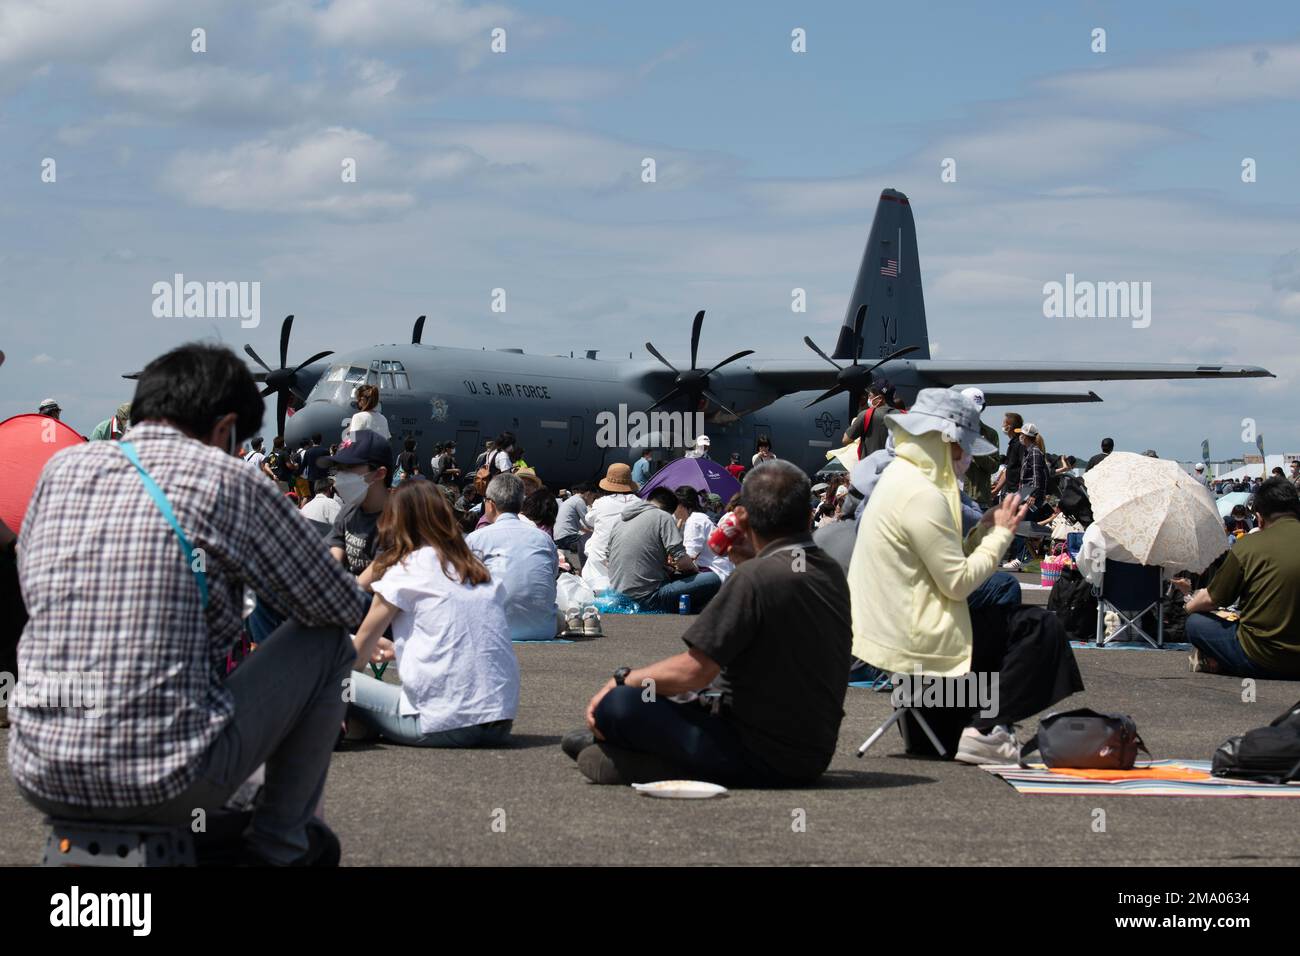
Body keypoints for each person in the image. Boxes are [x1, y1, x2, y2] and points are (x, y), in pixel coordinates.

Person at [9, 343, 368, 865]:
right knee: (327, 642)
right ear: (224, 429)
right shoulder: (227, 478)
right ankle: (278, 846)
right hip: (163, 780)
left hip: (41, 771)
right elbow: (336, 605)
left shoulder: (61, 471)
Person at [568, 460, 850, 786]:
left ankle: (666, 764)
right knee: (605, 727)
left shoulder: (756, 578)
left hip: (757, 750)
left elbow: (695, 671)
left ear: (742, 517)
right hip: (813, 752)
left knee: (618, 705)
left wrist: (623, 679)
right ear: (807, 514)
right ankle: (647, 758)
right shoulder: (829, 572)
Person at [847, 388, 1083, 765]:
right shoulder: (923, 494)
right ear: (946, 442)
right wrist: (1003, 534)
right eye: (963, 448)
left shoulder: (896, 481)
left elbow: (939, 561)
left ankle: (977, 722)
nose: (967, 457)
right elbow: (957, 582)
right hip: (921, 642)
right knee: (1039, 628)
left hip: (898, 638)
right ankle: (986, 727)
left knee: (1003, 621)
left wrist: (982, 530)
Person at [347, 481, 519, 746]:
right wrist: (402, 648)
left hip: (439, 723)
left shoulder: (405, 570)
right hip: (499, 720)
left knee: (329, 677)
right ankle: (360, 724)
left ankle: (344, 725)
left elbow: (355, 661)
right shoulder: (475, 569)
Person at [1177, 477, 1300, 678]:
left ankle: (1220, 661)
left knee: (1196, 623)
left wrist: (1188, 606)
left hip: (1261, 656)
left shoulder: (1248, 546)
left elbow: (1212, 599)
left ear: (1259, 518)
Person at [465, 473, 559, 641]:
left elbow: (463, 585)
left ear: (491, 504)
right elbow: (551, 580)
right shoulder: (543, 538)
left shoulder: (477, 538)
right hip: (543, 629)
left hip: (491, 629)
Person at [606, 487, 721, 613]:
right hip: (648, 598)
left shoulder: (621, 520)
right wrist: (694, 569)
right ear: (670, 510)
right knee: (712, 579)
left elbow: (608, 559)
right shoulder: (663, 516)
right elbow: (683, 562)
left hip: (618, 596)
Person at [323, 430, 393, 577]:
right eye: (339, 468)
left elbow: (378, 571)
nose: (340, 476)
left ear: (380, 473)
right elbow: (336, 545)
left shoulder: (396, 519)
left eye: (349, 468)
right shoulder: (349, 510)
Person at [580, 463, 642, 591]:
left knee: (585, 540)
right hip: (630, 561)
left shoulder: (600, 502)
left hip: (600, 561)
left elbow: (588, 521)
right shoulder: (639, 503)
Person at [674, 486, 721, 580]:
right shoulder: (698, 518)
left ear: (680, 506)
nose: (673, 511)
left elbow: (688, 559)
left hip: (714, 572)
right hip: (715, 570)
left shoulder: (694, 522)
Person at [553, 483, 595, 556]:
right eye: (593, 497)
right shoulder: (579, 501)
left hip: (558, 539)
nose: (592, 500)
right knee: (596, 542)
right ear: (588, 494)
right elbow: (588, 522)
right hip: (568, 538)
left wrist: (591, 531)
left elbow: (580, 526)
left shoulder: (572, 500)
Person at [990, 412, 1024, 502]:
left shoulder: (1018, 444)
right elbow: (1008, 469)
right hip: (1012, 491)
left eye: (1004, 424)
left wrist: (997, 489)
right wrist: (997, 487)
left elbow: (1023, 467)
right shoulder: (1014, 444)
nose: (1002, 426)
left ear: (1009, 427)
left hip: (1016, 492)